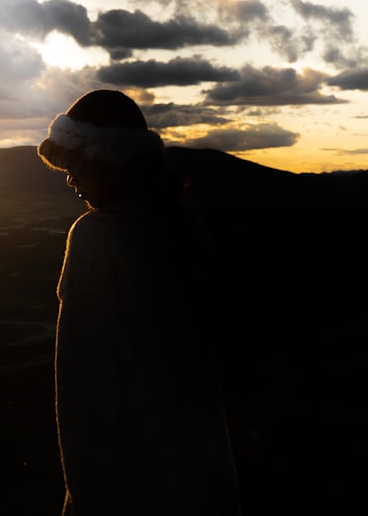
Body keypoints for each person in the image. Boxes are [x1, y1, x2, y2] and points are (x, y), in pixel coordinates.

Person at [37, 90, 242, 516]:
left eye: (77, 160)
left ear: (106, 161)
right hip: (208, 482)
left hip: (129, 488)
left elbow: (86, 392)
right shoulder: (188, 228)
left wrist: (86, 500)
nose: (70, 177)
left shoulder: (97, 237)